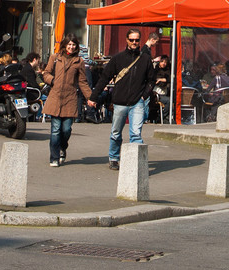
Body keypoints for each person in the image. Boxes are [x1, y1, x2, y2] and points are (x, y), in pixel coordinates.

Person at [96, 29, 154, 171]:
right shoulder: (118, 58)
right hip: (120, 101)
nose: (134, 42)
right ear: (127, 40)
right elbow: (105, 77)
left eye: (137, 40)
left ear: (140, 41)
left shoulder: (145, 59)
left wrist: (144, 96)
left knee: (136, 134)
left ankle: (136, 162)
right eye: (131, 40)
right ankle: (114, 158)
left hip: (137, 101)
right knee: (116, 133)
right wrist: (94, 96)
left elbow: (151, 80)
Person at [42, 36, 94, 166]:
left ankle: (62, 147)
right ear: (65, 45)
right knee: (55, 129)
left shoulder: (79, 61)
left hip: (70, 98)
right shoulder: (55, 58)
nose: (71, 47)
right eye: (69, 44)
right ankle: (54, 158)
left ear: (77, 46)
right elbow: (46, 73)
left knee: (66, 129)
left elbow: (82, 82)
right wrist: (52, 80)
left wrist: (90, 97)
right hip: (55, 97)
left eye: (73, 45)